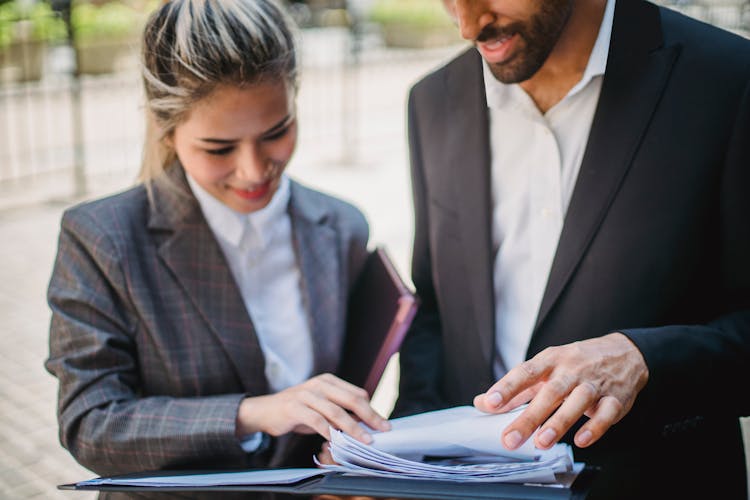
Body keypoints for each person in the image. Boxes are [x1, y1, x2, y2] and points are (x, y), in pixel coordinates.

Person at [394, 0, 750, 498]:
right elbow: (435, 308)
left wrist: (645, 359)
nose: (468, 25)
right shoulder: (431, 100)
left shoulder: (730, 81)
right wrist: (397, 461)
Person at [44, 0, 390, 485]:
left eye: (277, 132)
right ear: (167, 131)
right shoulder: (102, 240)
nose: (253, 170)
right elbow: (90, 425)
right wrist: (252, 413)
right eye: (219, 148)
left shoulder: (343, 226)